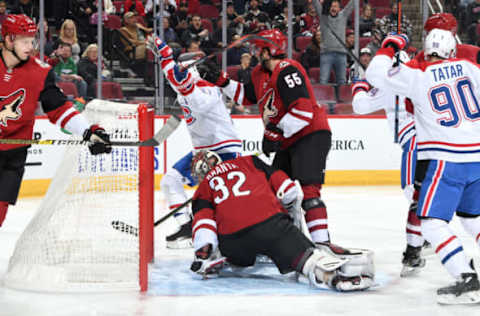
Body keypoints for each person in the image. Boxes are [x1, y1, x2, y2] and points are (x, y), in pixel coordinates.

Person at [365, 30, 480, 304]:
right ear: (452, 51)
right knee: (473, 219)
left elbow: (375, 75)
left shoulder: (418, 76)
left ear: (426, 52)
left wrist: (392, 45)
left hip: (446, 158)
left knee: (430, 222)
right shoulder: (468, 67)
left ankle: (466, 278)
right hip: (476, 155)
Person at [197, 29, 334, 245]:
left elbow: (303, 111)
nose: (255, 54)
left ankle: (322, 244)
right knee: (276, 191)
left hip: (310, 133)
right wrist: (221, 80)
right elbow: (247, 96)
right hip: (288, 140)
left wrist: (274, 132)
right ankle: (291, 239)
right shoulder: (259, 74)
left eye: (259, 49)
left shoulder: (288, 69)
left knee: (309, 190)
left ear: (268, 50)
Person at [189, 150, 374, 291]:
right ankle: (328, 274)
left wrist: (203, 254)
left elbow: (205, 226)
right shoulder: (250, 160)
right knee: (305, 257)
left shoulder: (202, 189)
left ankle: (228, 258)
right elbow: (288, 190)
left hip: (235, 241)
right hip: (271, 226)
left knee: (230, 246)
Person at [0, 15, 112, 227]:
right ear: (7, 40)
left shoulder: (40, 72)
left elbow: (59, 109)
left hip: (12, 155)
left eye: (32, 40)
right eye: (23, 41)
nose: (30, 46)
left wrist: (89, 132)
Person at [146, 35, 242, 248]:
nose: (179, 72)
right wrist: (164, 56)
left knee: (225, 198)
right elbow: (175, 78)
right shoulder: (186, 86)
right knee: (170, 180)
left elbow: (199, 104)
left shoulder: (207, 86)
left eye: (183, 67)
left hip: (223, 148)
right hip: (204, 150)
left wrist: (173, 67)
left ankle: (240, 236)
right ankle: (187, 226)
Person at [351, 51, 424, 277]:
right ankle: (424, 234)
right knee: (422, 193)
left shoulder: (389, 84)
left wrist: (361, 85)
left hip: (415, 140)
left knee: (412, 192)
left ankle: (415, 247)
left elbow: (360, 106)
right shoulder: (418, 76)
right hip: (434, 139)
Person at [317, 0, 354, 85]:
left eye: (335, 6)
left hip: (341, 54)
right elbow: (316, 3)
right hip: (326, 53)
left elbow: (352, 3)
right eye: (331, 6)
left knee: (342, 82)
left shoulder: (343, 15)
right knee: (323, 81)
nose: (333, 8)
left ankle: (342, 98)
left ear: (339, 8)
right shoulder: (323, 16)